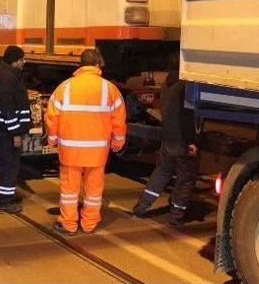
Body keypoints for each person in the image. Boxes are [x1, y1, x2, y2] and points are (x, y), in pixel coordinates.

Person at [45, 49, 127, 235]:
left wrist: (52, 139)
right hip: (97, 152)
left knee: (69, 191)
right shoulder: (109, 88)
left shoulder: (64, 87)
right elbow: (119, 119)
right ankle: (89, 224)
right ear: (97, 65)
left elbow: (52, 116)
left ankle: (68, 224)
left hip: (70, 151)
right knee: (93, 190)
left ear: (80, 65)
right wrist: (117, 142)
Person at [132, 70, 199, 226]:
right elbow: (186, 116)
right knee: (185, 179)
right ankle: (177, 215)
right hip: (183, 141)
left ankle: (141, 206)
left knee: (162, 172)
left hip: (169, 137)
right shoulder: (185, 87)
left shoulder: (167, 86)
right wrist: (190, 140)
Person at [0, 45, 32, 214]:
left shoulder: (5, 74)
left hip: (3, 130)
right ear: (15, 61)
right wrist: (15, 132)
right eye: (22, 59)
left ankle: (4, 195)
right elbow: (8, 108)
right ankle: (4, 201)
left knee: (6, 165)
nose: (24, 62)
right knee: (8, 166)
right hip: (7, 132)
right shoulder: (8, 78)